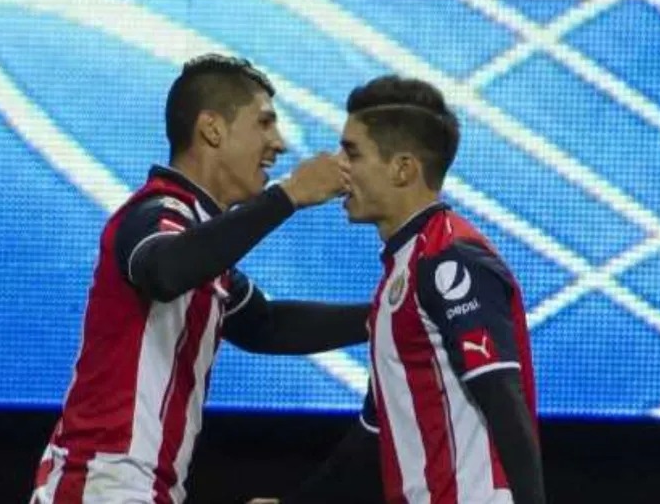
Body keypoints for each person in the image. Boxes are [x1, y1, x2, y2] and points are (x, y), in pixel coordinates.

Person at [31, 54, 369, 504]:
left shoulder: (201, 245)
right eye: (264, 123)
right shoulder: (156, 211)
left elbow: (267, 324)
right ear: (212, 129)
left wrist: (386, 314)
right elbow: (165, 271)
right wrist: (288, 195)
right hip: (100, 484)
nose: (280, 143)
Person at [256, 75, 545, 504]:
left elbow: (503, 397)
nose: (337, 166)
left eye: (352, 152)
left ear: (403, 168)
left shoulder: (450, 259)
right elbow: (373, 432)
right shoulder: (403, 273)